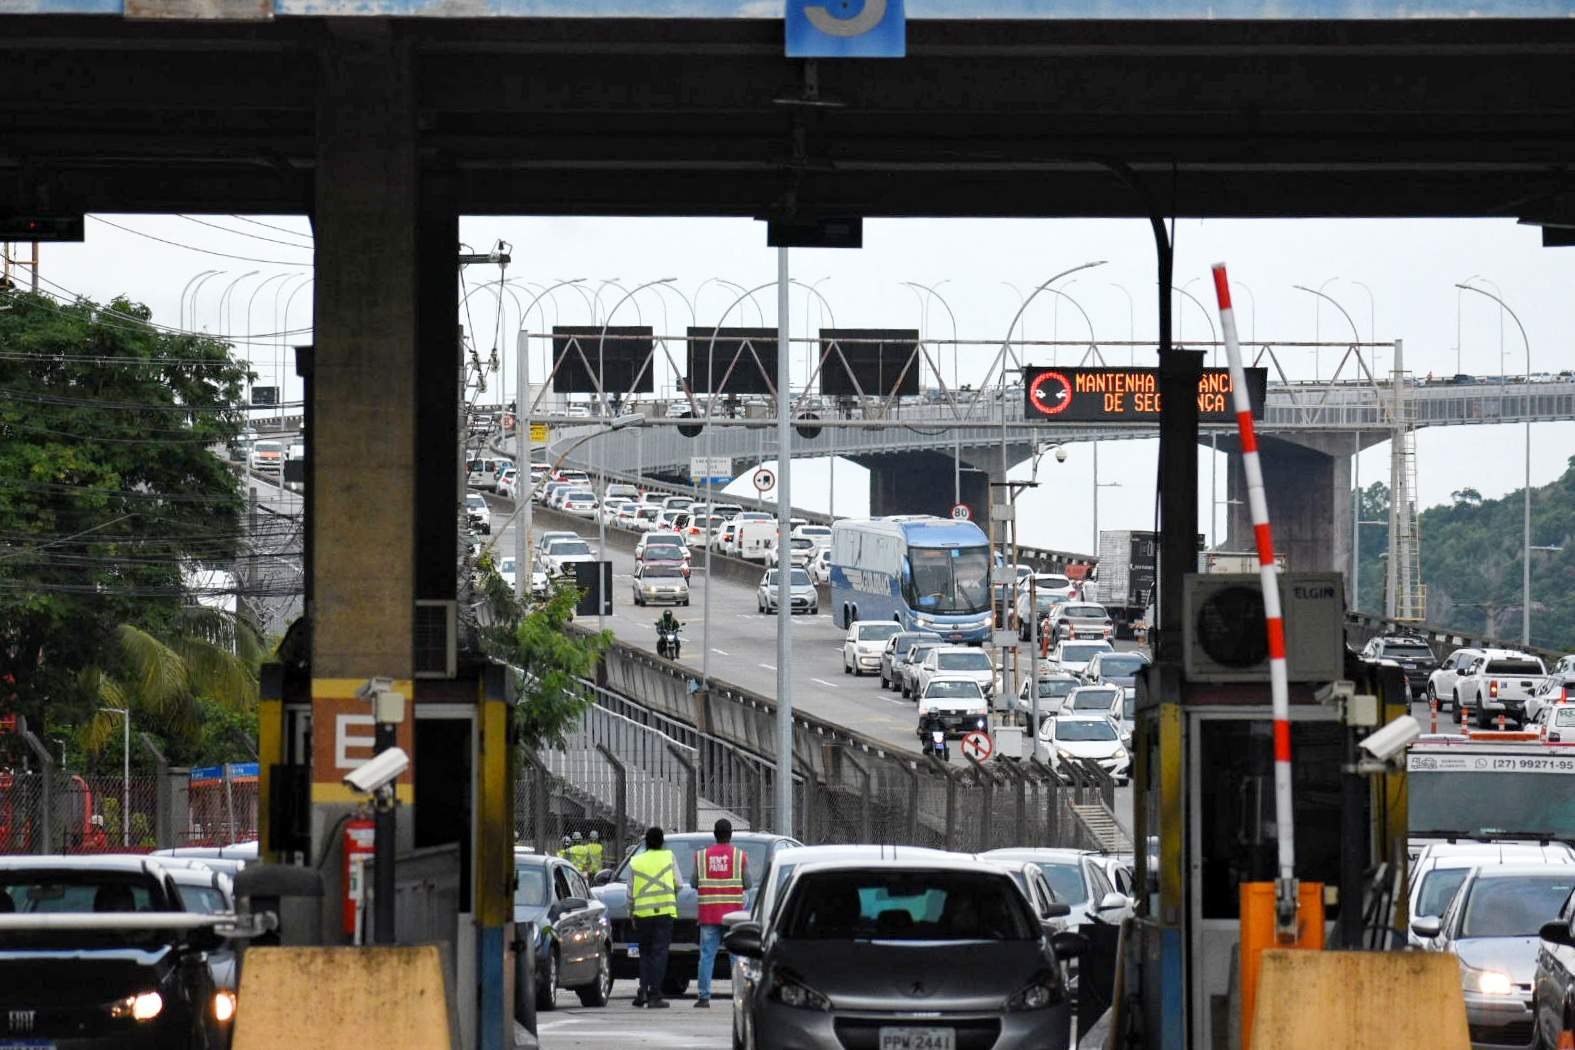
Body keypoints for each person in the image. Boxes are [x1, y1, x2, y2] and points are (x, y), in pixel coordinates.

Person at [693, 818, 749, 1009]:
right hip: (733, 916)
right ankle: (738, 996)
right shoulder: (739, 856)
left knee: (707, 956)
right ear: (730, 834)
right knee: (736, 957)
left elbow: (693, 883)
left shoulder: (701, 857)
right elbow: (747, 884)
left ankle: (703, 997)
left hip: (708, 914)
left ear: (715, 835)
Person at [629, 826, 682, 1009]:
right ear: (662, 842)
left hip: (642, 914)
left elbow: (630, 892)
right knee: (659, 953)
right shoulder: (669, 857)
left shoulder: (636, 861)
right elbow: (679, 883)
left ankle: (642, 990)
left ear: (645, 842)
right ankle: (655, 994)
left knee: (644, 953)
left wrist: (632, 912)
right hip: (664, 912)